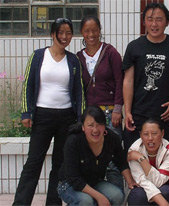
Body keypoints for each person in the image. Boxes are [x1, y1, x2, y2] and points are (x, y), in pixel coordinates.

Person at [13, 18, 84, 206]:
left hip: (66, 118)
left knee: (59, 164)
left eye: (68, 33)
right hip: (43, 116)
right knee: (33, 163)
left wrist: (80, 118)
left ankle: (53, 203)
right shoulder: (38, 56)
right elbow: (28, 85)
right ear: (53, 34)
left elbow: (79, 91)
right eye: (60, 32)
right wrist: (26, 113)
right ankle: (20, 203)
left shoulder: (73, 60)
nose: (64, 36)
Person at [122, 3, 169, 150]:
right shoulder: (134, 47)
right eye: (150, 19)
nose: (154, 24)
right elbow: (128, 81)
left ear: (167, 22)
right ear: (144, 22)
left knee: (164, 158)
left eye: (159, 19)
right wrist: (128, 111)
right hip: (139, 113)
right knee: (133, 156)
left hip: (165, 115)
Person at [76, 16, 124, 192]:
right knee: (91, 157)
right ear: (82, 32)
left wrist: (118, 108)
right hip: (90, 116)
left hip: (110, 113)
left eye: (95, 30)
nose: (91, 34)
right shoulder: (78, 57)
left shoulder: (110, 52)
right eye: (87, 31)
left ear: (100, 30)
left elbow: (120, 81)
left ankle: (117, 198)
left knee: (113, 160)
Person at [57, 106, 137, 206]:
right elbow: (73, 178)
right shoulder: (73, 141)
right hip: (69, 184)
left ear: (105, 125)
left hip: (94, 182)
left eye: (99, 124)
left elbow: (121, 162)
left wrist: (130, 182)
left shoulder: (112, 139)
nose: (95, 130)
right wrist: (99, 197)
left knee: (117, 196)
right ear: (83, 127)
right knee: (86, 201)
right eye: (90, 125)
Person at [127, 118, 169, 206]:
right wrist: (162, 202)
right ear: (140, 135)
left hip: (164, 185)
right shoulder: (134, 149)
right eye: (146, 134)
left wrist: (141, 159)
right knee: (138, 195)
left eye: (154, 134)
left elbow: (158, 182)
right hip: (142, 187)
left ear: (162, 133)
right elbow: (141, 180)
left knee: (166, 192)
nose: (150, 138)